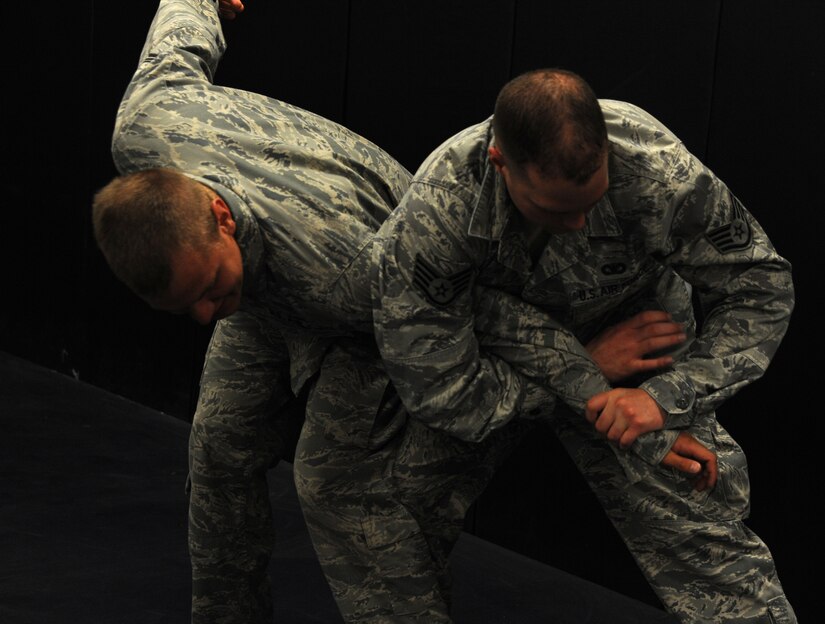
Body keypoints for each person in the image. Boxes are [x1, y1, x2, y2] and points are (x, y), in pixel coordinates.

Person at [370, 68, 797, 623]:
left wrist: (667, 396)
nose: (575, 225)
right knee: (389, 506)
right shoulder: (436, 215)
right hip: (501, 356)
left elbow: (760, 289)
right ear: (502, 164)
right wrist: (583, 371)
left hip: (636, 336)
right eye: (552, 210)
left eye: (589, 202)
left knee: (698, 507)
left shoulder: (658, 174)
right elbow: (441, 389)